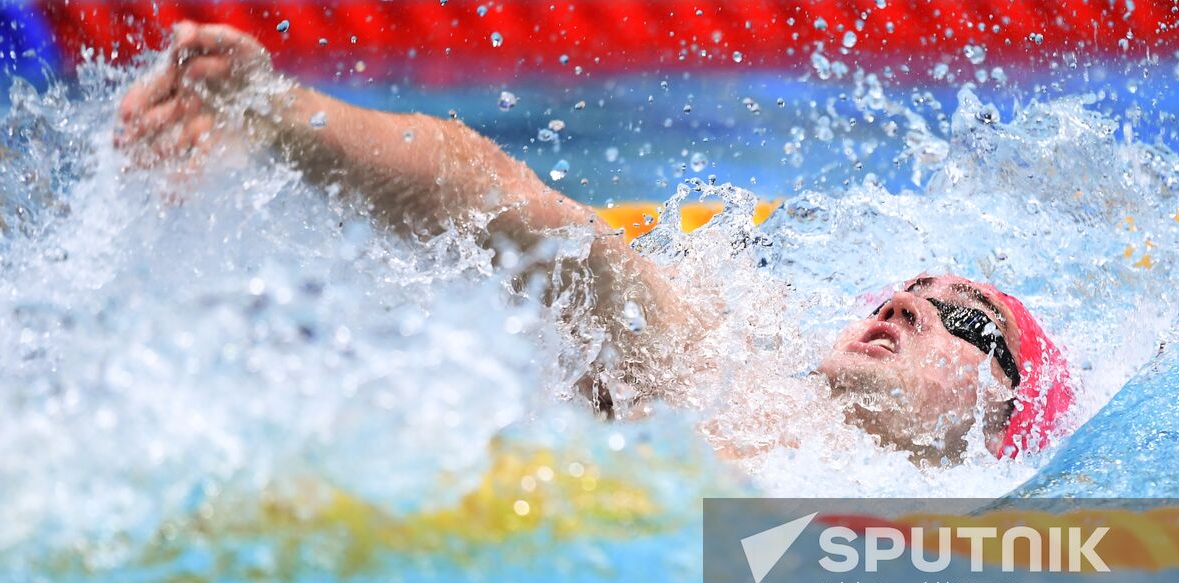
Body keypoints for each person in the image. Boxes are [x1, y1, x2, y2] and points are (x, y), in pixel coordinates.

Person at [116, 21, 1073, 464]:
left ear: (1004, 422)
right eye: (902, 290)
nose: (905, 304)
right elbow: (515, 213)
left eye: (965, 320)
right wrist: (285, 114)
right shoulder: (717, 362)